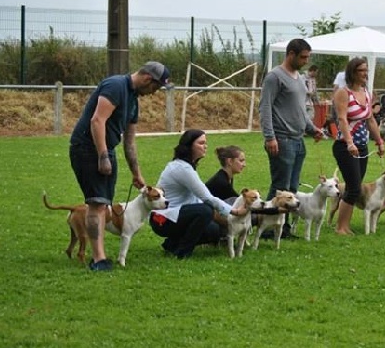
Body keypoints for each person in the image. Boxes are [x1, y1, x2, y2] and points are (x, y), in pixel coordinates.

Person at [69, 61, 171, 271]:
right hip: (88, 148)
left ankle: (99, 256)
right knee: (97, 203)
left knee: (103, 202)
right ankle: (99, 260)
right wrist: (102, 156)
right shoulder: (115, 86)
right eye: (156, 87)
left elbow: (130, 140)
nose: (154, 93)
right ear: (147, 79)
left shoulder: (133, 100)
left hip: (108, 149)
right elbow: (97, 121)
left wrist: (136, 173)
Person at [259, 38, 324, 238]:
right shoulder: (274, 77)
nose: (306, 61)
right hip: (282, 138)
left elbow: (300, 110)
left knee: (292, 189)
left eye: (308, 57)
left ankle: (282, 227)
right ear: (291, 54)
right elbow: (265, 107)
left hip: (298, 140)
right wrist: (270, 137)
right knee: (281, 188)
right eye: (303, 57)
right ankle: (266, 226)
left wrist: (312, 129)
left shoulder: (299, 77)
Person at [149, 130, 248, 259]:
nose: (205, 146)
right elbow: (207, 198)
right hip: (162, 219)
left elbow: (195, 198)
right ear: (189, 146)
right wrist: (235, 212)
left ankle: (172, 244)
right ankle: (183, 253)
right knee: (205, 210)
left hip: (174, 215)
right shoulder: (183, 169)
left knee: (214, 231)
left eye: (205, 143)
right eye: (201, 143)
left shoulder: (186, 166)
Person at [332, 57, 385, 235]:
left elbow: (370, 119)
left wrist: (379, 141)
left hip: (362, 146)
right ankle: (341, 227)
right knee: (354, 187)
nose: (366, 74)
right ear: (353, 72)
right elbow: (342, 119)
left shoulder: (366, 92)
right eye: (362, 70)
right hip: (345, 146)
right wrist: (349, 142)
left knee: (354, 187)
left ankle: (344, 224)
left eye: (366, 70)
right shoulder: (343, 93)